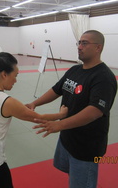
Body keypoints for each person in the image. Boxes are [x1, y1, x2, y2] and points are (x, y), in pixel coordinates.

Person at [0, 52, 68, 188]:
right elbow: (38, 118)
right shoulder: (7, 102)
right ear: (4, 74)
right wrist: (61, 115)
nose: (16, 80)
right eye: (15, 75)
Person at [26, 30, 117, 188]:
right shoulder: (75, 70)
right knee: (74, 178)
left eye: (85, 43)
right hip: (68, 138)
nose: (79, 46)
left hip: (86, 146)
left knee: (83, 182)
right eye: (79, 42)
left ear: (98, 48)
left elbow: (95, 111)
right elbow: (57, 89)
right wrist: (35, 103)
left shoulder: (104, 77)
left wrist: (59, 124)